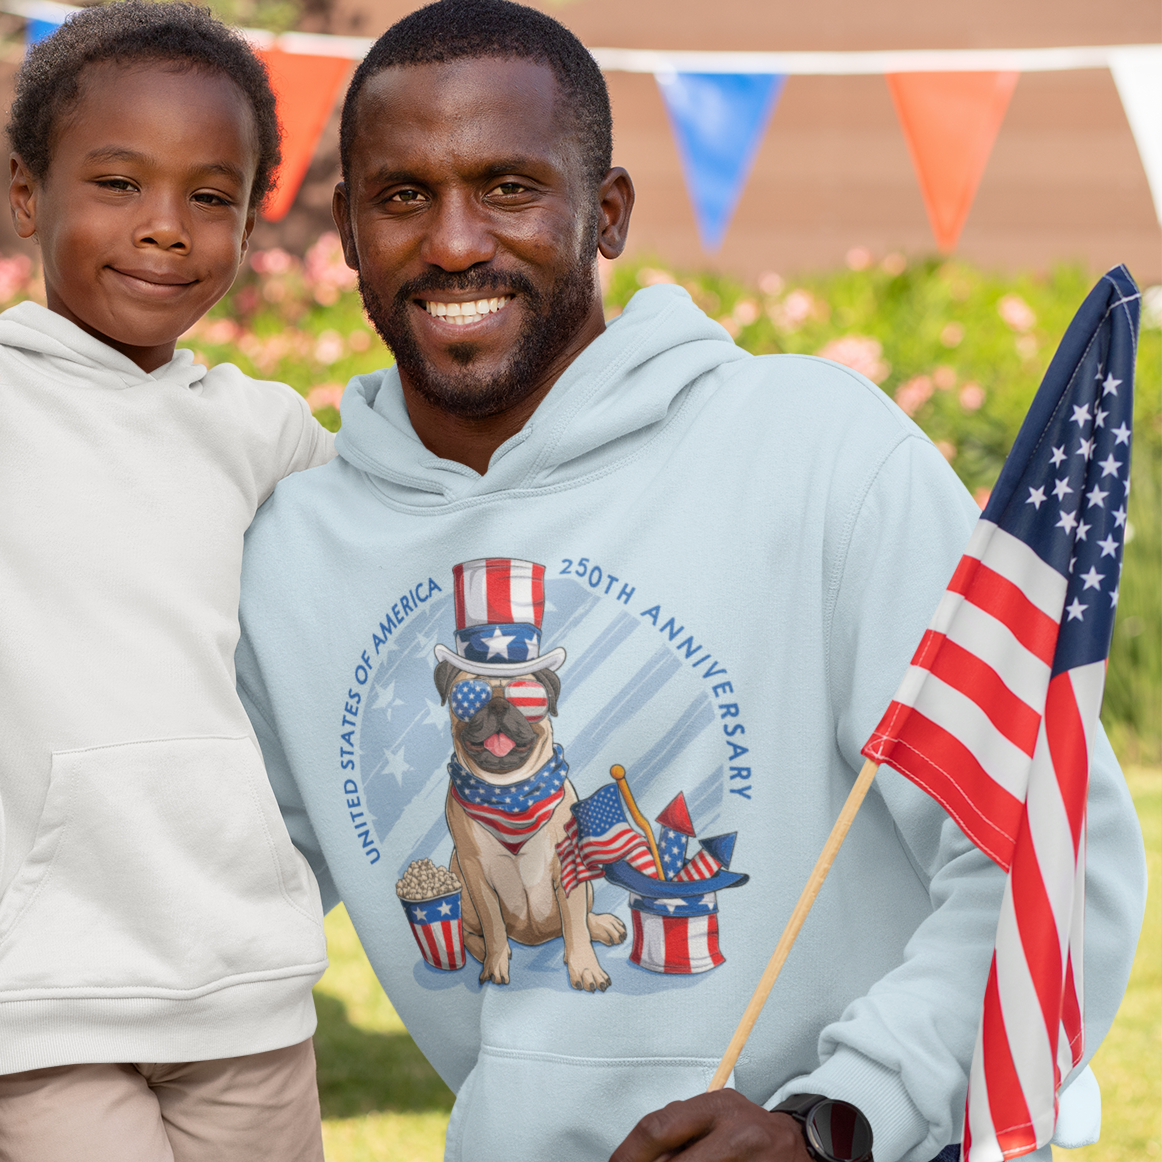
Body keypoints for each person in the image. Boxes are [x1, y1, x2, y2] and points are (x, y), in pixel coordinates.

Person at [234, 2, 1147, 1160]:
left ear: (606, 213)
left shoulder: (816, 449)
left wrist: (838, 1119)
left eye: (509, 187)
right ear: (350, 231)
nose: (455, 241)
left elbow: (1052, 855)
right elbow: (197, 910)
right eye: (403, 195)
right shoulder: (293, 553)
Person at [0, 5, 335, 1160]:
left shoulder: (265, 430)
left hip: (248, 984)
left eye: (209, 196)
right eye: (117, 183)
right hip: (42, 998)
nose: (163, 229)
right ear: (27, 195)